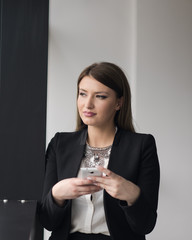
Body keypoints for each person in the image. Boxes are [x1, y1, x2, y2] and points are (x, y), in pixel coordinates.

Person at [38, 62, 160, 240]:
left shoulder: (142, 146)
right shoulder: (59, 144)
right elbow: (48, 221)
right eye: (82, 94)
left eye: (100, 97)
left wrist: (132, 195)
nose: (87, 104)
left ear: (119, 103)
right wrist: (57, 194)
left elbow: (146, 225)